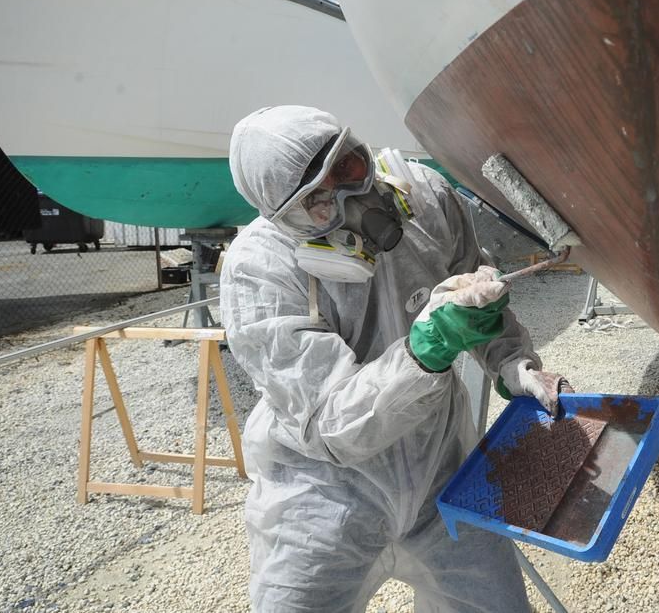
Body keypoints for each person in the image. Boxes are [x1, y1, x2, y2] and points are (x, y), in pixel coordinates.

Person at [220, 105, 567, 612]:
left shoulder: (425, 197)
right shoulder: (260, 270)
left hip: (442, 481)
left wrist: (514, 364)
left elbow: (477, 292)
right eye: (316, 201)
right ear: (284, 218)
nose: (350, 198)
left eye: (348, 168)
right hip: (322, 503)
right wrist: (425, 351)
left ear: (360, 148)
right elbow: (329, 422)